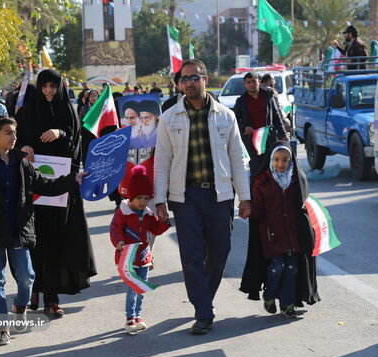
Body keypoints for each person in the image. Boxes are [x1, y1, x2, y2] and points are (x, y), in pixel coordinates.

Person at [0, 116, 87, 345]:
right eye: (8, 132)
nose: (13, 137)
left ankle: (19, 306)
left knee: (27, 277)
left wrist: (73, 180)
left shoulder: (22, 162)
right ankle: (1, 326)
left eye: (14, 132)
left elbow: (45, 185)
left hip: (18, 230)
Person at [154, 59, 251, 335]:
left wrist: (245, 197)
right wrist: (159, 200)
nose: (189, 83)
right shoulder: (169, 117)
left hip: (219, 195)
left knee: (220, 251)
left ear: (205, 79)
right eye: (184, 79)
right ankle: (203, 312)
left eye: (194, 77)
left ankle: (203, 298)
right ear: (179, 83)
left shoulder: (225, 115)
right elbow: (161, 161)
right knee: (192, 255)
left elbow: (237, 159)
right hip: (185, 197)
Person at [16, 69, 97, 317]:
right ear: (39, 88)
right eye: (45, 86)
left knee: (55, 242)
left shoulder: (67, 111)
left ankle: (51, 297)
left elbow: (75, 144)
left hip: (61, 189)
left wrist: (60, 133)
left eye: (53, 86)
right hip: (34, 189)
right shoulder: (28, 111)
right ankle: (33, 289)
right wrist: (25, 146)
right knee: (34, 242)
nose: (49, 91)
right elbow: (15, 140)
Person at [240, 141, 320, 317]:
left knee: (292, 268)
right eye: (276, 159)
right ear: (270, 159)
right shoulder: (262, 181)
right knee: (277, 266)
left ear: (291, 160)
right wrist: (249, 211)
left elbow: (305, 206)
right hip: (272, 236)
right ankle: (269, 296)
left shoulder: (297, 179)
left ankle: (287, 304)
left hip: (293, 235)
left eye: (285, 160)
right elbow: (258, 209)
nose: (280, 164)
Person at [110, 165, 170, 334]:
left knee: (141, 288)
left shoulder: (149, 214)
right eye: (138, 198)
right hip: (128, 256)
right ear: (131, 197)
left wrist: (163, 222)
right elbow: (115, 228)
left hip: (144, 256)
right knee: (133, 288)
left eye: (145, 198)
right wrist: (119, 241)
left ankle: (138, 316)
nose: (142, 202)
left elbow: (155, 230)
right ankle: (130, 317)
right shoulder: (123, 213)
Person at [233, 72, 288, 177]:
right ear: (244, 85)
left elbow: (276, 117)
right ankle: (256, 192)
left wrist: (283, 134)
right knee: (257, 171)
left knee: (273, 170)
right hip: (252, 142)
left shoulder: (268, 96)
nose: (251, 84)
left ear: (259, 82)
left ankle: (272, 192)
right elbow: (233, 120)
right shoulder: (241, 101)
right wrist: (244, 128)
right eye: (248, 82)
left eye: (254, 81)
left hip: (269, 139)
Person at [79, 89, 99, 164]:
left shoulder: (101, 108)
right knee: (86, 154)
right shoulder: (84, 108)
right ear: (88, 98)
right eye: (91, 96)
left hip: (97, 135)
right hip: (86, 134)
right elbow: (80, 121)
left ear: (98, 97)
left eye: (95, 96)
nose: (93, 98)